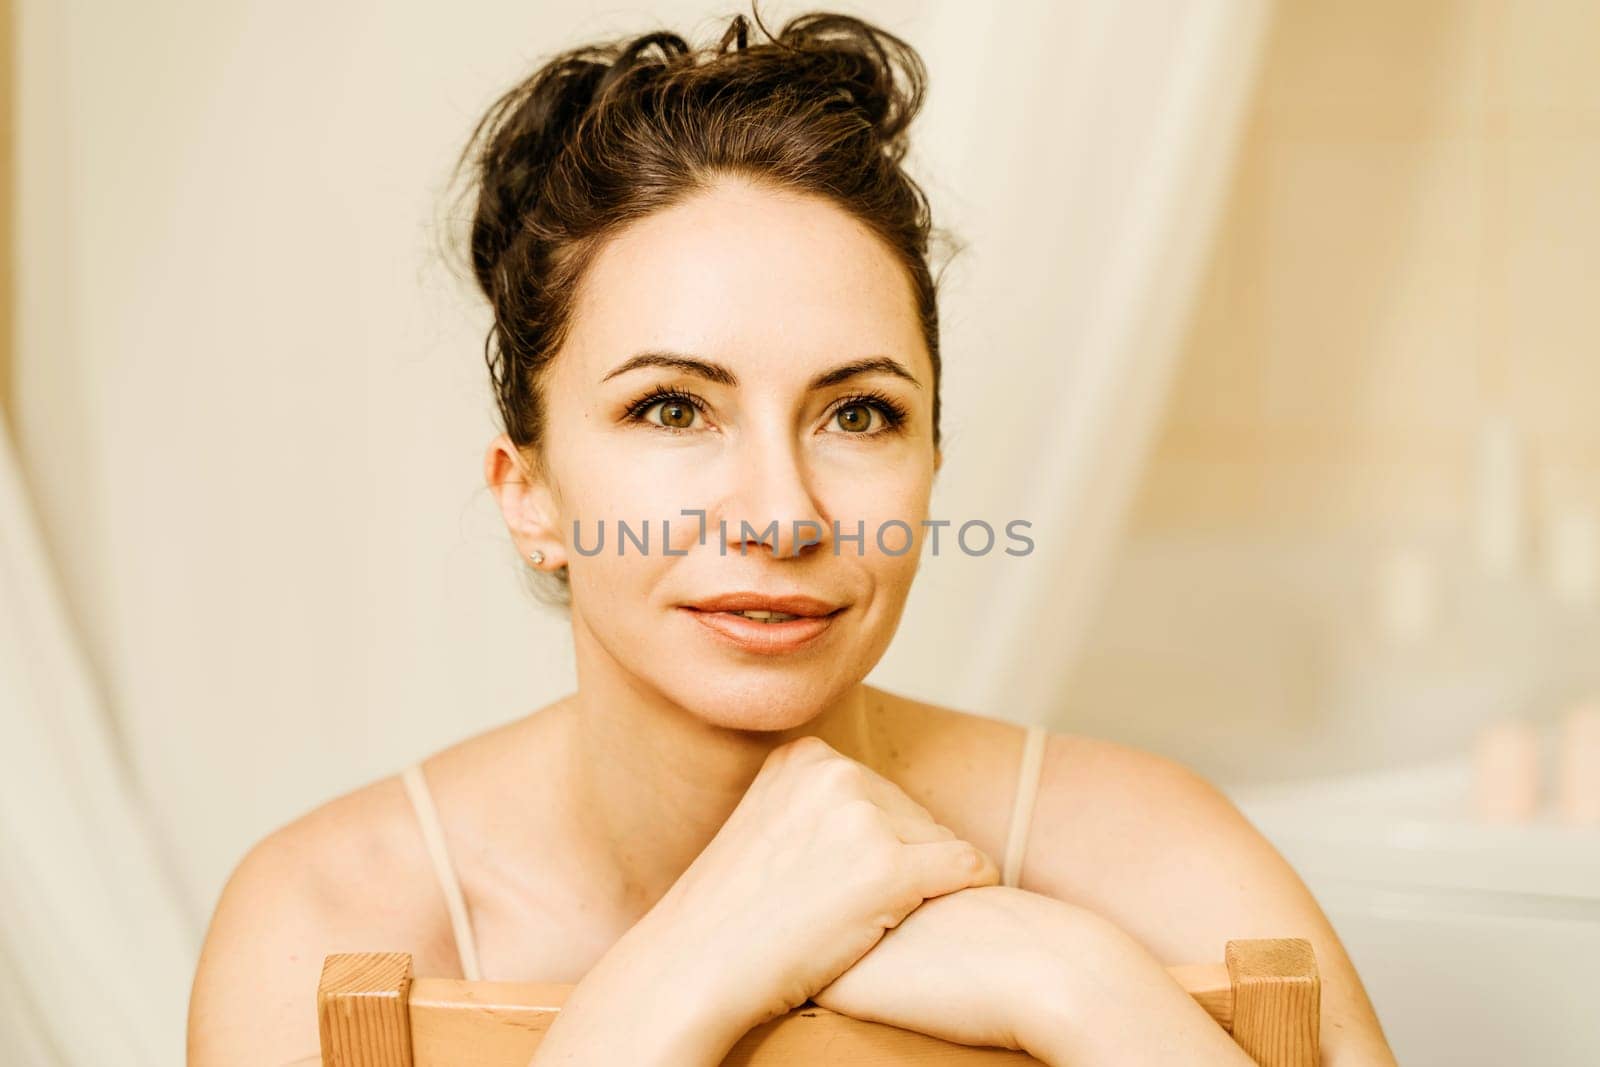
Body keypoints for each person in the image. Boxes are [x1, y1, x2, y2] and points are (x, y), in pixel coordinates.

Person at [187, 8, 1397, 1065]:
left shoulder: (1147, 853)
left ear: (931, 462)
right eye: (671, 407)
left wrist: (1069, 978)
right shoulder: (325, 914)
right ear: (530, 493)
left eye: (858, 412)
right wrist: (692, 960)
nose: (781, 512)